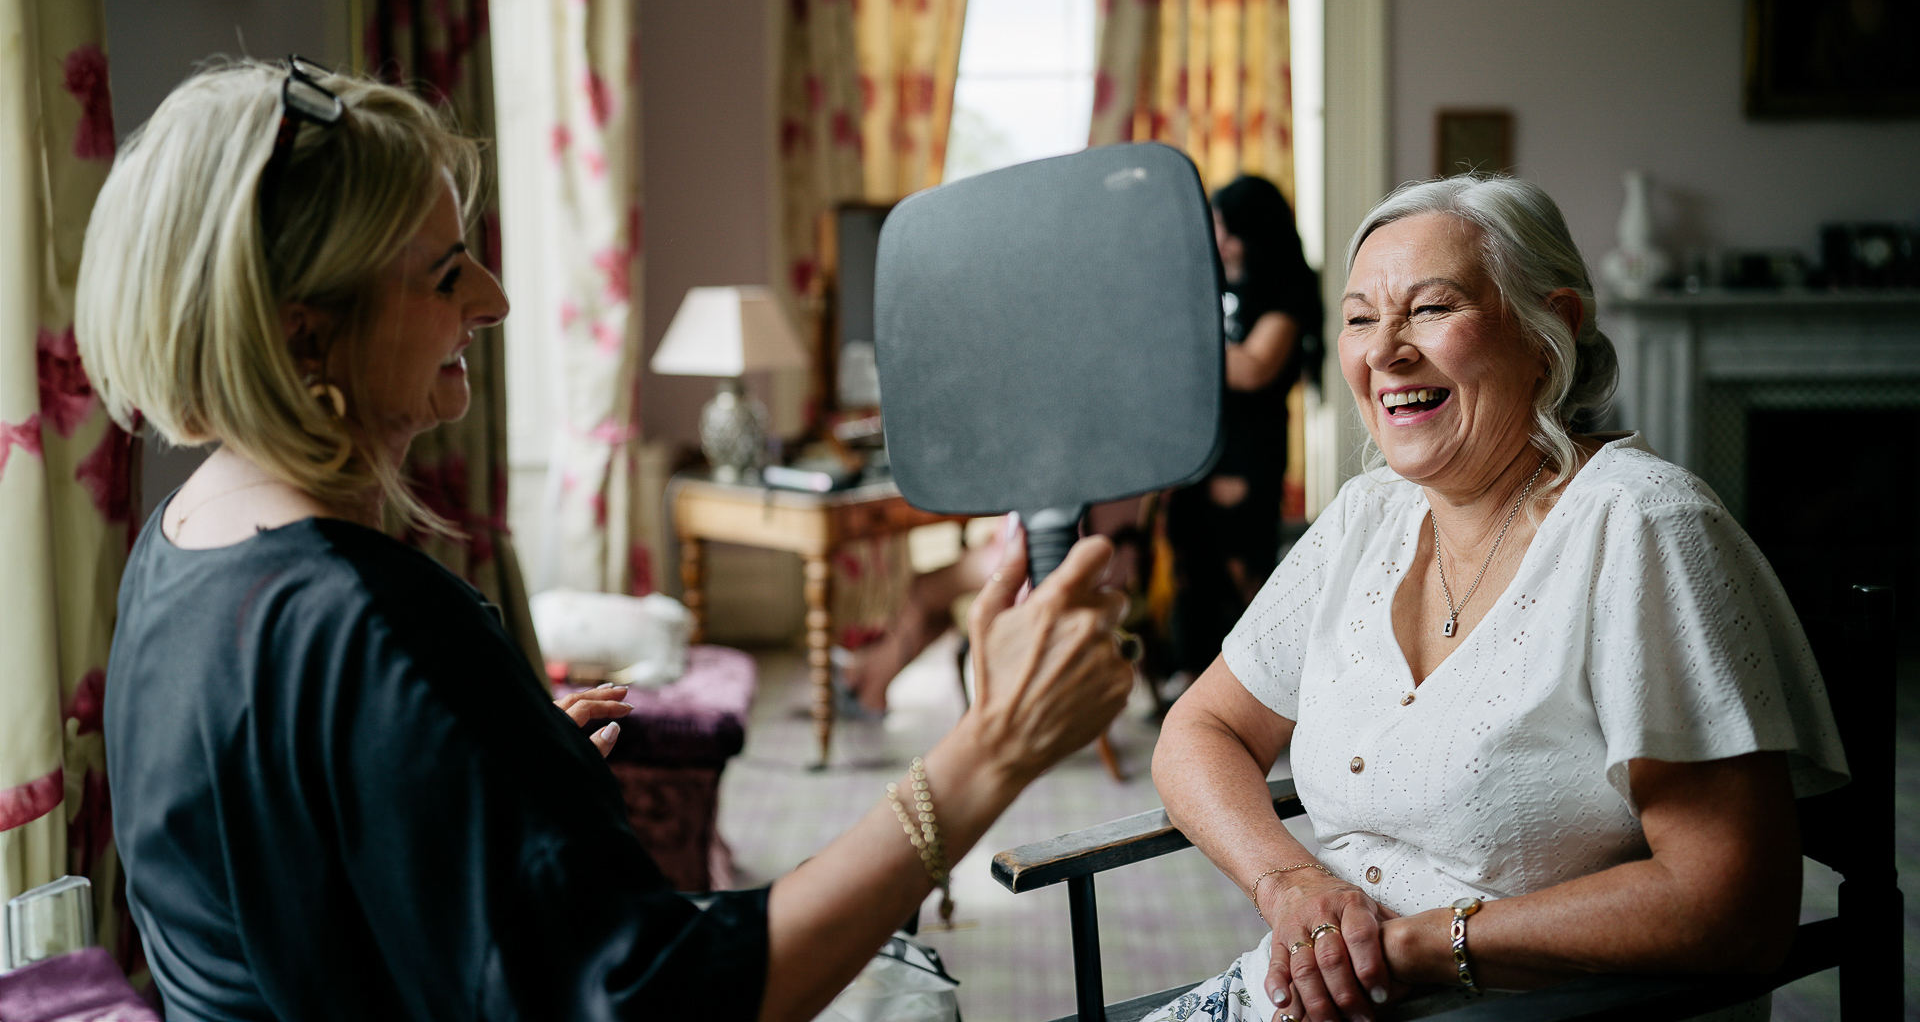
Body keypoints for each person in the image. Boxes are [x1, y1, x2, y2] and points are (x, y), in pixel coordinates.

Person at [75, 59, 1134, 1021]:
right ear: (307, 333)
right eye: (446, 275)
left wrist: (489, 777)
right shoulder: (375, 631)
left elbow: (303, 882)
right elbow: (663, 999)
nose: (490, 301)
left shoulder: (177, 546)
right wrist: (986, 753)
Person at [1146, 173, 1846, 1022]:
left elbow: (1731, 904)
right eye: (1361, 317)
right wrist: (1286, 881)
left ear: (1553, 329)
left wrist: (1419, 946)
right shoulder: (1368, 516)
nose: (1386, 351)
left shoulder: (1641, 528)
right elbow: (1202, 727)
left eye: (1432, 309)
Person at [1165, 174, 1323, 680]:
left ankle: (1268, 685)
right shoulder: (1207, 282)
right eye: (1215, 225)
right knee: (1194, 564)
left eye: (1228, 229)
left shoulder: (1283, 291)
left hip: (1245, 451)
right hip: (1197, 450)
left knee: (1242, 569)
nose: (1218, 239)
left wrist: (1173, 348)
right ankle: (1199, 681)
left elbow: (1255, 366)